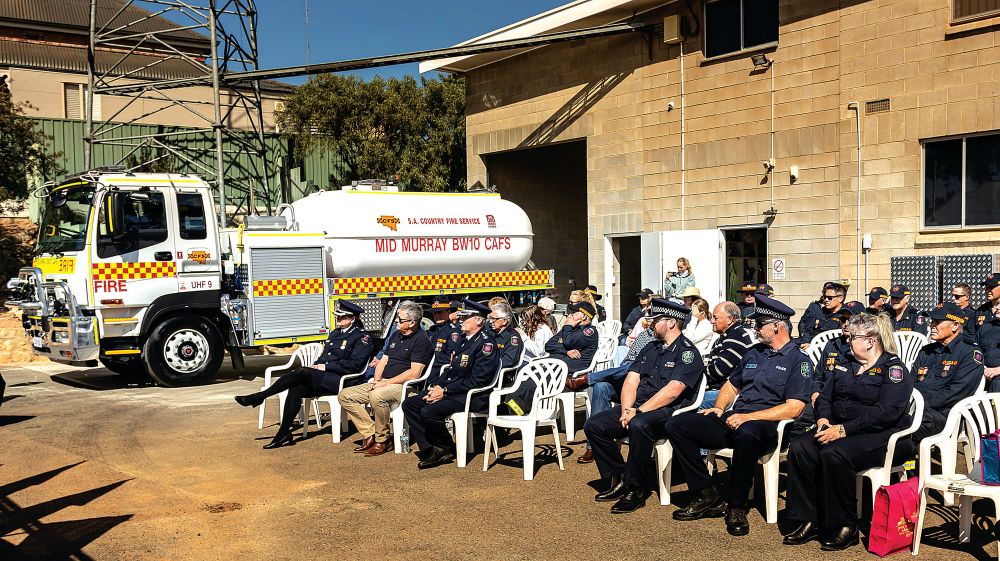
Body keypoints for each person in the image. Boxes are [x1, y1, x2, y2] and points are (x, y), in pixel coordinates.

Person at [666, 295, 811, 537]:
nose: (755, 328)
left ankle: (737, 506)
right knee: (677, 425)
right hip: (736, 417)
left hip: (769, 427)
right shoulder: (754, 353)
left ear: (776, 326)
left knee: (746, 434)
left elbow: (795, 408)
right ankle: (706, 494)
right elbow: (732, 385)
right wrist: (720, 408)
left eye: (759, 324)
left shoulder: (798, 361)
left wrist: (749, 417)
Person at [783, 312, 914, 551]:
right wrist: (823, 419)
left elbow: (888, 412)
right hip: (840, 428)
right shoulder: (846, 364)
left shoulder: (894, 369)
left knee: (834, 454)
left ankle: (845, 524)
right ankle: (810, 518)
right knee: (801, 446)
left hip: (882, 435)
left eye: (853, 337)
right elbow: (824, 396)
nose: (847, 341)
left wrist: (844, 429)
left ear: (871, 340)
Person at [584, 298, 705, 513]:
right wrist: (626, 409)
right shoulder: (651, 348)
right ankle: (621, 475)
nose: (650, 323)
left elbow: (673, 391)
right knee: (594, 425)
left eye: (656, 319)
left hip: (669, 412)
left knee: (640, 424)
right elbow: (631, 380)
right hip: (638, 406)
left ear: (671, 323)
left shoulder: (687, 353)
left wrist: (638, 411)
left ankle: (635, 489)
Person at [234, 301, 375, 449]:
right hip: (325, 378)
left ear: (353, 319)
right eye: (337, 317)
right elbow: (324, 356)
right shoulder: (335, 333)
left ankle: (260, 396)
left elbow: (355, 365)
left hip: (343, 380)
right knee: (296, 388)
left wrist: (325, 367)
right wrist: (317, 364)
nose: (338, 320)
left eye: (342, 318)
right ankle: (283, 433)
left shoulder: (361, 337)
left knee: (302, 371)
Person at [401, 299, 499, 469]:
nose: (460, 320)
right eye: (460, 316)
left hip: (473, 395)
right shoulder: (463, 340)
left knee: (428, 411)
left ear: (478, 320)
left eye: (465, 317)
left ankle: (444, 447)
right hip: (454, 390)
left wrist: (445, 391)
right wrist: (437, 386)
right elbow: (451, 370)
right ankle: (430, 447)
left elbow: (478, 380)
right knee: (410, 404)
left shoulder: (486, 344)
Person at [338, 301, 435, 456]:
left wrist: (384, 383)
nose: (396, 321)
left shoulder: (421, 340)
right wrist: (377, 380)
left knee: (377, 395)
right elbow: (383, 360)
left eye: (400, 319)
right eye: (397, 317)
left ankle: (382, 440)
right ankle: (370, 434)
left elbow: (414, 373)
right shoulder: (396, 335)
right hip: (384, 383)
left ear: (411, 323)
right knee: (345, 395)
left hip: (405, 387)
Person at [573, 317, 659, 464]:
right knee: (602, 387)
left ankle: (588, 378)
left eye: (655, 320)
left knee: (631, 367)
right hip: (628, 377)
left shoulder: (665, 341)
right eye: (651, 320)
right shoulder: (646, 334)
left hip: (647, 384)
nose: (651, 323)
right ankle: (592, 445)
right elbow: (629, 358)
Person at [911, 301, 984, 444]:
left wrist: (918, 405)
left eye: (937, 322)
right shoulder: (926, 351)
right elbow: (909, 382)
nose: (931, 325)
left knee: (901, 425)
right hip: (916, 408)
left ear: (955, 325)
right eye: (932, 321)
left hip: (944, 415)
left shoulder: (969, 353)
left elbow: (955, 392)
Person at [805, 302, 867, 423]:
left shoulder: (867, 348)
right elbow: (818, 375)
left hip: (847, 403)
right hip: (824, 399)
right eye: (843, 319)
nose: (846, 324)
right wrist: (815, 392)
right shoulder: (832, 344)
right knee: (800, 418)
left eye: (851, 320)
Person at [702, 301, 754, 408]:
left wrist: (700, 369)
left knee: (686, 402)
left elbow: (719, 370)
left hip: (729, 393)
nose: (711, 321)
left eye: (715, 318)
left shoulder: (736, 335)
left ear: (730, 319)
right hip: (719, 389)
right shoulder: (726, 336)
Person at [547, 301, 600, 382]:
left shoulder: (589, 332)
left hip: (573, 369)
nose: (570, 315)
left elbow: (569, 342)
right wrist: (566, 351)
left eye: (574, 312)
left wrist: (568, 326)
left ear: (584, 316)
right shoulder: (571, 328)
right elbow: (549, 345)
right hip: (557, 365)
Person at [798, 282, 846, 348]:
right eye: (825, 297)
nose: (826, 300)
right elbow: (809, 328)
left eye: (830, 298)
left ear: (840, 298)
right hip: (809, 345)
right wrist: (805, 340)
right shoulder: (821, 311)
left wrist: (813, 346)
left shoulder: (845, 315)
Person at [976, 273, 1000, 391]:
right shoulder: (980, 312)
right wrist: (980, 366)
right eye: (986, 288)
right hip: (982, 367)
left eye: (991, 287)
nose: (987, 291)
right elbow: (972, 341)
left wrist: (997, 370)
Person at [488, 301, 524, 376]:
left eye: (494, 319)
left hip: (498, 375)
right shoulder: (489, 332)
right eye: (489, 318)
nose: (490, 321)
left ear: (504, 321)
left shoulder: (512, 337)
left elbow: (508, 360)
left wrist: (485, 364)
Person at [427, 296, 461, 369]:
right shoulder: (432, 329)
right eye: (434, 313)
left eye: (440, 312)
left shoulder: (453, 331)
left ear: (448, 311)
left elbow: (450, 357)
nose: (437, 315)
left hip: (438, 368)